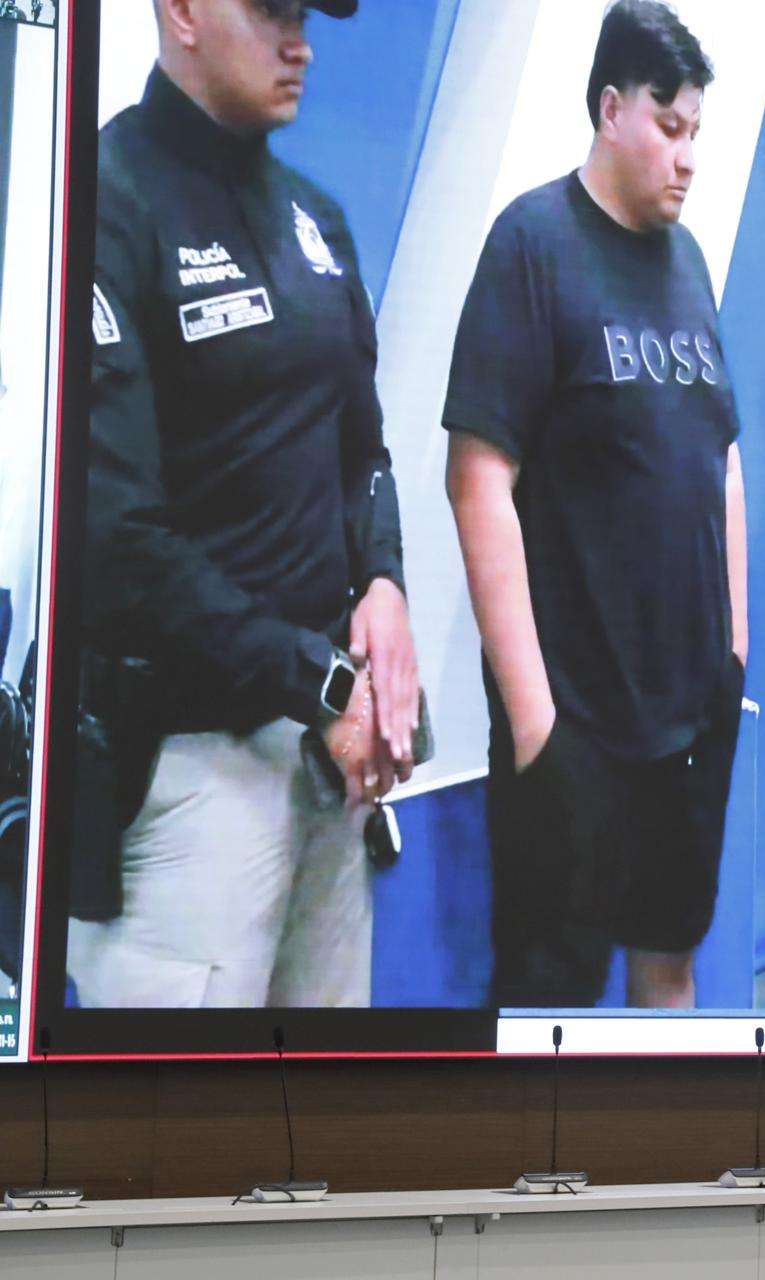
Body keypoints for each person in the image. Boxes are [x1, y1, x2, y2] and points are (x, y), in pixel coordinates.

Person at [72, 0, 417, 1009]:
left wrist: (385, 583)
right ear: (179, 10)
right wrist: (321, 680)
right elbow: (116, 537)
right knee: (174, 1141)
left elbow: (364, 448)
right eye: (270, 11)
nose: (299, 39)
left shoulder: (320, 220)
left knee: (320, 1126)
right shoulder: (108, 199)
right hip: (186, 768)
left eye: (306, 13)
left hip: (325, 766)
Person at [444, 0, 745, 1010]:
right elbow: (477, 476)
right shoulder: (532, 244)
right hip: (573, 729)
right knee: (547, 1005)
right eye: (669, 124)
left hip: (687, 726)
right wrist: (535, 726)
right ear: (609, 107)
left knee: (671, 970)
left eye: (697, 130)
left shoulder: (690, 264)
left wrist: (733, 656)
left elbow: (723, 458)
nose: (687, 154)